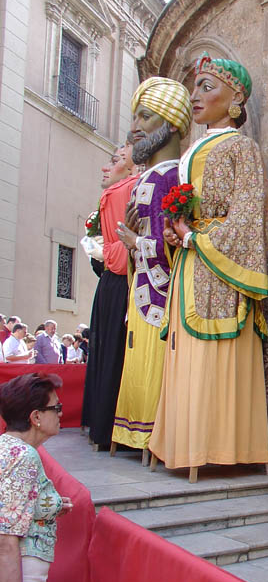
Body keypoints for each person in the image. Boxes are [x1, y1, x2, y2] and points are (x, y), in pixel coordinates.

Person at [149, 53, 268, 483]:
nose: (196, 95)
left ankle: (217, 445)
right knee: (185, 353)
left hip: (215, 264)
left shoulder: (241, 147)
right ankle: (181, 443)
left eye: (207, 86)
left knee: (210, 354)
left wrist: (198, 238)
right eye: (195, 86)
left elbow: (248, 213)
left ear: (235, 97)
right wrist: (177, 233)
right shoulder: (192, 149)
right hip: (189, 261)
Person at [112, 77, 191, 455]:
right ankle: (133, 434)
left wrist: (134, 242)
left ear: (171, 124)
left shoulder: (170, 175)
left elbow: (168, 241)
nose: (136, 127)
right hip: (142, 290)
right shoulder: (149, 176)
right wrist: (132, 241)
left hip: (157, 296)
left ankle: (149, 435)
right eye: (135, 117)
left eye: (146, 116)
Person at [81, 137, 139, 448]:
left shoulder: (127, 188)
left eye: (116, 159)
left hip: (120, 279)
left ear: (132, 165)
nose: (107, 166)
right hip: (113, 278)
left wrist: (107, 252)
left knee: (112, 349)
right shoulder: (117, 191)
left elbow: (126, 241)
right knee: (107, 349)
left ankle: (106, 425)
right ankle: (103, 425)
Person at [0, 373, 73, 582]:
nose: (60, 414)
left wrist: (52, 506)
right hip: (22, 573)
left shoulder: (7, 446)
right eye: (56, 408)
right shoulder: (24, 456)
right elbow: (5, 538)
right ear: (36, 417)